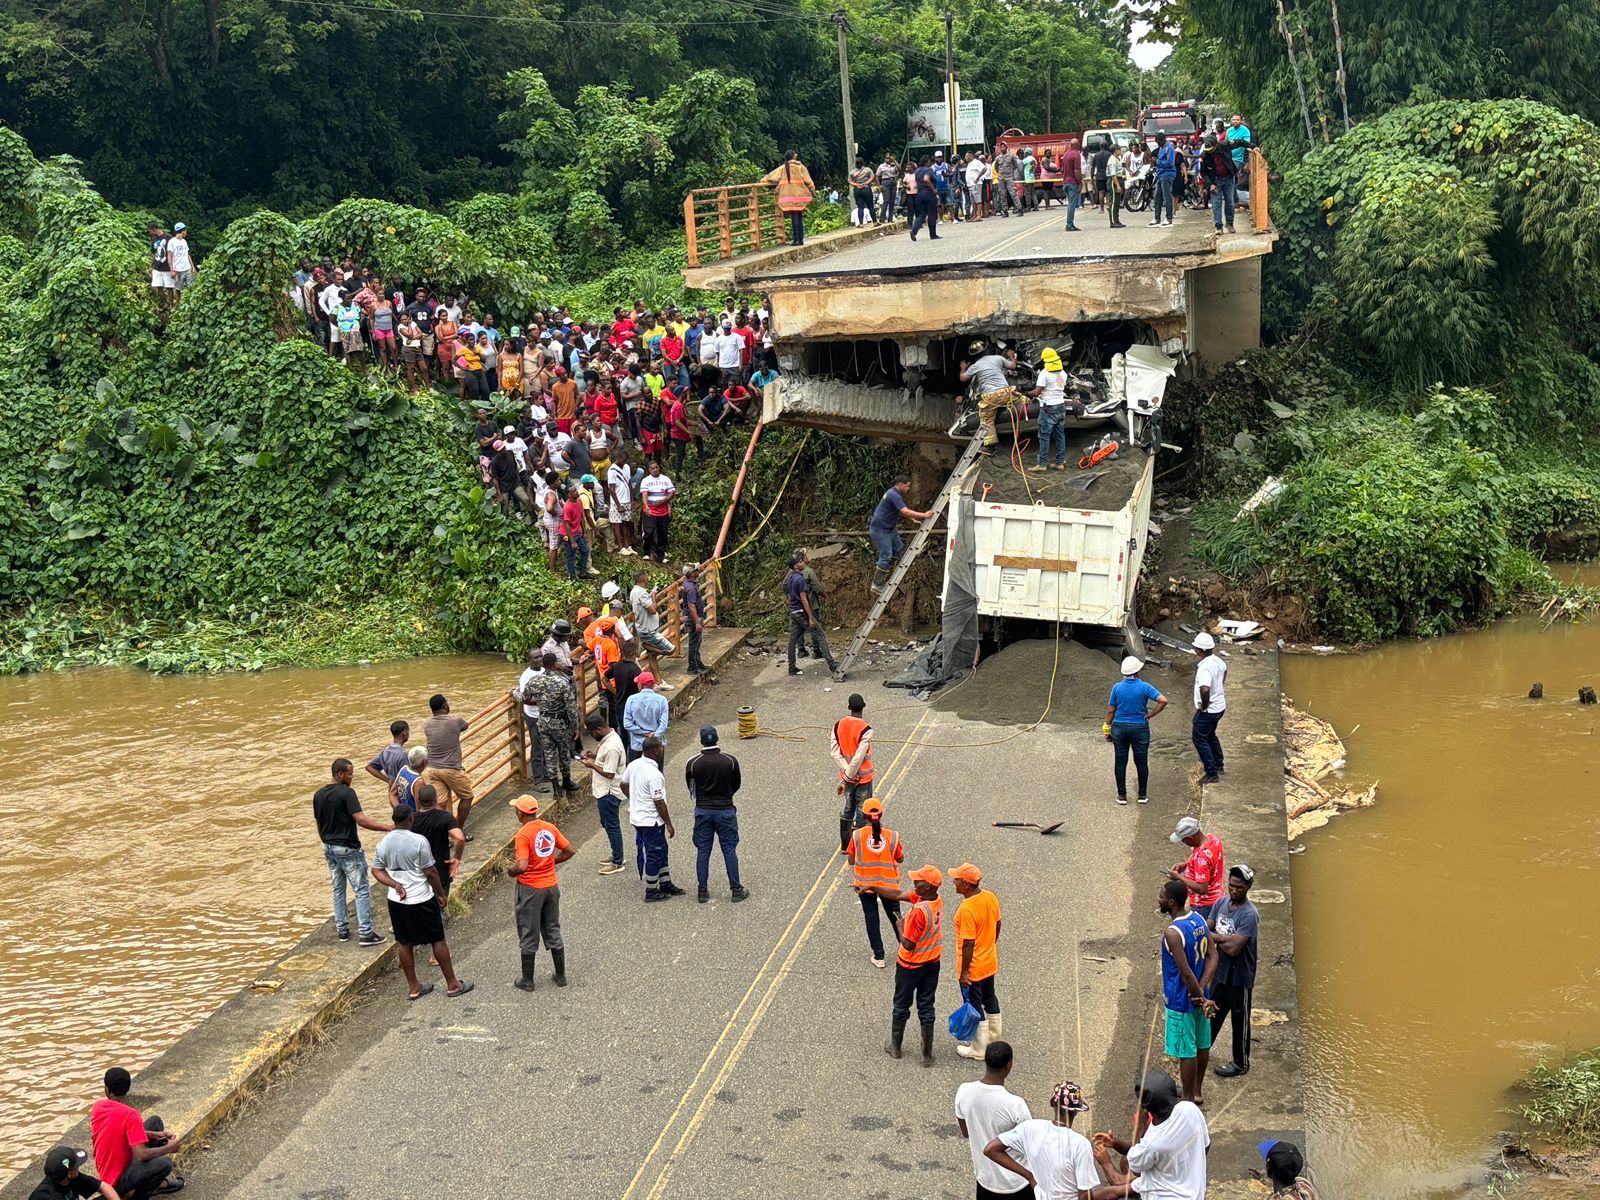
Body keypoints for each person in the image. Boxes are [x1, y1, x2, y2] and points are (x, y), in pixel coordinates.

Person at [370, 805, 473, 1000]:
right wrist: (441, 894)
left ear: (394, 820)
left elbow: (376, 870)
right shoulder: (418, 841)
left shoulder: (383, 843)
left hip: (397, 901)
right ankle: (452, 984)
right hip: (421, 898)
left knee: (404, 943)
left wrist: (395, 884)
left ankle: (414, 988)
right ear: (410, 818)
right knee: (437, 939)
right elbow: (431, 872)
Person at [1091, 1072, 1209, 1200]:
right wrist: (1114, 1143)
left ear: (1145, 1109)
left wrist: (1139, 1127)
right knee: (1123, 1167)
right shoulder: (1190, 1109)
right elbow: (1206, 1146)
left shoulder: (1152, 1143)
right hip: (1194, 1191)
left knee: (1120, 1187)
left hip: (1166, 1195)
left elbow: (1133, 1171)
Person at [313, 757, 391, 946]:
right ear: (339, 774)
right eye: (349, 774)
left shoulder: (318, 794)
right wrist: (388, 827)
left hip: (328, 847)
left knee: (338, 889)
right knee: (361, 889)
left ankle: (342, 930)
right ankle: (366, 932)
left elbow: (318, 822)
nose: (351, 777)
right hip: (348, 847)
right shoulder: (347, 793)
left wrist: (326, 840)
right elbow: (361, 820)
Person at [984, 1081, 1100, 1200]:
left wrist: (1029, 1176)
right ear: (1076, 1111)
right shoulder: (1080, 1144)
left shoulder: (1029, 1128)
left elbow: (991, 1149)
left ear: (1053, 1104)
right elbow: (1085, 1196)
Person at [1158, 880, 1219, 1104]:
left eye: (1161, 896)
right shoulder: (1199, 919)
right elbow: (1213, 956)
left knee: (1187, 1050)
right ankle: (1197, 1091)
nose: (1158, 899)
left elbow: (1185, 973)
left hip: (1182, 1000)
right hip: (1202, 996)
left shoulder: (1173, 933)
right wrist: (1203, 992)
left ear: (1171, 902)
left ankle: (1186, 1098)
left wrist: (1196, 994)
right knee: (1202, 1043)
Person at [506, 793, 573, 991]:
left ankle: (527, 980)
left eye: (516, 810)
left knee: (528, 930)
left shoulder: (523, 834)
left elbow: (522, 865)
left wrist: (511, 871)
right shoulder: (549, 828)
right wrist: (551, 862)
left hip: (531, 889)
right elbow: (570, 850)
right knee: (553, 928)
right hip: (551, 886)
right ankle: (560, 976)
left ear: (520, 813)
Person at [878, 864, 944, 1065]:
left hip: (910, 966)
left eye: (918, 881)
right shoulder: (935, 901)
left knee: (901, 1004)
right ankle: (927, 1055)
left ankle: (895, 1047)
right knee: (926, 1006)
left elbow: (908, 944)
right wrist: (873, 887)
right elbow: (898, 894)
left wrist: (900, 926)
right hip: (932, 963)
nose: (914, 883)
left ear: (928, 886)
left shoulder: (917, 912)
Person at [955, 1041, 1033, 1200]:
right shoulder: (1016, 1105)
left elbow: (966, 1132)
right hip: (1017, 1183)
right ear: (1009, 1065)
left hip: (985, 1180)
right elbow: (1029, 1144)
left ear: (986, 1060)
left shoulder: (964, 1091)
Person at [90, 1068, 180, 1199]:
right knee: (165, 1164)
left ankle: (145, 1181)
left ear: (107, 1090)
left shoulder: (98, 1107)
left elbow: (119, 1131)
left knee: (155, 1122)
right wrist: (169, 1148)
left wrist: (153, 1134)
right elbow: (141, 1155)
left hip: (108, 1170)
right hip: (116, 1181)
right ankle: (140, 1195)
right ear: (128, 1089)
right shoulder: (130, 1114)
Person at [686, 724, 747, 902]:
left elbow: (691, 787)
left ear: (701, 741)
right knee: (729, 849)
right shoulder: (730, 761)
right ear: (717, 739)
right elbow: (736, 784)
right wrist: (726, 795)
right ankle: (736, 889)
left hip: (703, 809)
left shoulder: (693, 763)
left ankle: (702, 890)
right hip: (725, 808)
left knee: (703, 849)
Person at [1208, 864, 1259, 1079]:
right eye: (1231, 885)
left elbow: (1234, 949)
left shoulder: (1249, 914)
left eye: (1239, 887)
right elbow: (1207, 928)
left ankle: (1241, 1063)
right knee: (1212, 1014)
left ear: (1248, 887)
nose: (1234, 890)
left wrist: (1216, 937)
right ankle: (1202, 1049)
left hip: (1240, 976)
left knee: (1239, 1021)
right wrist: (1226, 937)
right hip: (1220, 972)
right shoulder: (1221, 903)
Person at [952, 862, 1004, 1062]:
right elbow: (998, 923)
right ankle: (994, 1038)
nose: (954, 882)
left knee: (974, 1004)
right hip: (989, 961)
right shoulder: (990, 897)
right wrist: (990, 944)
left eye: (957, 879)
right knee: (989, 997)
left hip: (973, 967)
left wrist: (964, 972)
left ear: (966, 884)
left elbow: (968, 943)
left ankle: (979, 1048)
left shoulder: (967, 908)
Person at [620, 735, 682, 900]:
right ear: (655, 750)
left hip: (638, 818)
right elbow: (659, 802)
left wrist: (635, 800)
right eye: (661, 747)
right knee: (655, 853)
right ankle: (651, 890)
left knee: (662, 849)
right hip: (651, 821)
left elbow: (623, 784)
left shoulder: (633, 765)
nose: (663, 750)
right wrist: (669, 824)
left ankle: (665, 883)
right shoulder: (654, 774)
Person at [847, 798, 904, 966]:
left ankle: (879, 956)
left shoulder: (857, 835)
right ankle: (905, 951)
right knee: (896, 917)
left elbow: (850, 860)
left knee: (871, 918)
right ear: (881, 814)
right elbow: (900, 858)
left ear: (863, 815)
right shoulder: (893, 835)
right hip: (889, 885)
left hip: (864, 884)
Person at [1105, 657, 1168, 805]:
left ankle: (1122, 796)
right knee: (1141, 761)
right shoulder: (1145, 687)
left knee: (1120, 761)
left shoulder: (1117, 688)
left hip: (1119, 728)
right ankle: (1142, 795)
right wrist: (1151, 714)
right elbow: (1163, 700)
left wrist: (1107, 728)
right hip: (1140, 727)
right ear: (1137, 672)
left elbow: (1111, 710)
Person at [579, 712, 629, 875]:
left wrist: (592, 765)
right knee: (606, 823)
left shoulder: (612, 747)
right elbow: (605, 760)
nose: (592, 736)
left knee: (612, 825)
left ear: (599, 729)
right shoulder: (608, 739)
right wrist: (594, 756)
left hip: (609, 792)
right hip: (603, 791)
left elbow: (609, 773)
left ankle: (618, 861)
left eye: (592, 733)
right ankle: (617, 853)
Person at [524, 652, 581, 794]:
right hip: (560, 723)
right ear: (555, 664)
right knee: (563, 753)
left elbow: (524, 697)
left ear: (543, 664)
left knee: (549, 754)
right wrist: (575, 726)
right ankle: (566, 782)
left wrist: (513, 693)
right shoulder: (562, 683)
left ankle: (556, 788)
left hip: (543, 721)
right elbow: (571, 708)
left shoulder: (534, 681)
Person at [866, 473, 932, 588]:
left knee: (899, 549)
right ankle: (877, 584)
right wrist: (924, 515)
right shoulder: (893, 495)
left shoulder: (893, 493)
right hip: (880, 531)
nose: (908, 488)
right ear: (900, 484)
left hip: (889, 528)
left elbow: (900, 510)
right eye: (907, 486)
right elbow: (905, 511)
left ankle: (890, 572)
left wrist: (912, 518)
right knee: (886, 556)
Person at [423, 693, 476, 834]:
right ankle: (458, 829)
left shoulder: (427, 724)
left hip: (432, 769)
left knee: (440, 804)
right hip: (451, 769)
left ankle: (442, 834)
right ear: (445, 706)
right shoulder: (455, 721)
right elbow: (465, 726)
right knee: (467, 796)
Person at [830, 692, 875, 850]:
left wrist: (846, 776)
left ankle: (845, 845)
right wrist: (851, 774)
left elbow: (835, 753)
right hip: (862, 779)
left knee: (849, 808)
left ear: (849, 707)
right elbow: (858, 757)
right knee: (862, 811)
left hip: (847, 778)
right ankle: (858, 848)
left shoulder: (837, 725)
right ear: (863, 706)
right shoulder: (866, 730)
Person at [961, 341, 1022, 456]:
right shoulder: (998, 358)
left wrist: (963, 368)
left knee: (987, 420)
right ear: (987, 350)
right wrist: (1011, 356)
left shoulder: (975, 366)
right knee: (1023, 400)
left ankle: (989, 446)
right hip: (1006, 393)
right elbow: (1013, 366)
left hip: (990, 397)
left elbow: (963, 378)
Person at [785, 549, 837, 675]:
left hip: (794, 613)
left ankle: (792, 668)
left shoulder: (790, 577)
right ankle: (832, 665)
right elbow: (804, 599)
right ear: (796, 566)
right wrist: (810, 617)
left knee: (792, 641)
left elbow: (787, 590)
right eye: (801, 561)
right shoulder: (800, 579)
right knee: (820, 635)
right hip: (802, 613)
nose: (803, 562)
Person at [410, 783, 464, 903]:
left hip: (418, 872)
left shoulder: (411, 819)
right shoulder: (445, 817)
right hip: (440, 870)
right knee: (441, 903)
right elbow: (460, 838)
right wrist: (457, 858)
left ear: (418, 800)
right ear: (436, 799)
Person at [1167, 815, 1226, 920]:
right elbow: (1210, 863)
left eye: (1184, 840)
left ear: (1191, 838)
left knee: (1201, 929)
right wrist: (1187, 865)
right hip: (1218, 895)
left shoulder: (1201, 857)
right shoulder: (1213, 839)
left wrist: (1179, 877)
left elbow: (1202, 889)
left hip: (1204, 905)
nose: (1184, 843)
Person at [1190, 632, 1227, 783]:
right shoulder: (1218, 661)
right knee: (1210, 735)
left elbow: (1204, 689)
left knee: (1199, 738)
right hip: (1220, 706)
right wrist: (1218, 688)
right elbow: (1224, 672)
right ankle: (1219, 764)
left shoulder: (1204, 668)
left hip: (1209, 709)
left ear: (1200, 650)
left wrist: (1204, 707)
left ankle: (1212, 772)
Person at [515, 649, 553, 794]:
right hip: (533, 716)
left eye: (540, 656)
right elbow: (526, 699)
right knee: (537, 746)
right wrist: (544, 699)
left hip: (546, 714)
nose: (538, 659)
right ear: (529, 660)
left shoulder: (545, 671)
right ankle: (538, 781)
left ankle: (546, 773)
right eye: (535, 657)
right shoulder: (526, 676)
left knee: (546, 744)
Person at [630, 568, 676, 682]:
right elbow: (652, 610)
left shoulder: (633, 591)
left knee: (652, 656)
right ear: (644, 578)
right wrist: (653, 598)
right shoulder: (642, 593)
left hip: (642, 627)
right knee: (671, 650)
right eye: (647, 576)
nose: (648, 578)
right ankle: (646, 646)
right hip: (648, 630)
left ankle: (658, 681)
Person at [763, 150, 816, 246]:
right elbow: (808, 180)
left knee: (794, 217)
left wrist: (764, 180)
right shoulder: (800, 167)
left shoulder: (783, 168)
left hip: (788, 197)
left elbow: (772, 176)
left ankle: (796, 239)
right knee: (799, 217)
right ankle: (800, 239)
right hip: (800, 196)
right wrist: (812, 189)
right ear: (793, 156)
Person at [1030, 347, 1070, 472]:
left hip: (1049, 408)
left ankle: (1042, 464)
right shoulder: (1063, 373)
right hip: (1061, 406)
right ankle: (1060, 462)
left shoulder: (1044, 373)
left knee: (1044, 436)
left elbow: (1036, 392)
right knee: (1060, 435)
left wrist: (1027, 394)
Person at [31, 1145, 117, 1200]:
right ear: (69, 1173)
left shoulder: (69, 1178)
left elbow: (103, 1186)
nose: (78, 1168)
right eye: (76, 1166)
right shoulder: (50, 1196)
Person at [622, 670, 669, 762]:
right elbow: (663, 724)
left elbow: (627, 724)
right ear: (653, 684)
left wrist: (645, 733)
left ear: (640, 685)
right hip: (656, 745)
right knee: (656, 770)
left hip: (638, 745)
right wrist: (654, 736)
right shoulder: (662, 700)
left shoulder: (631, 699)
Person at [639, 461, 675, 565]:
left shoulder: (666, 479)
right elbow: (644, 494)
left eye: (656, 467)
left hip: (663, 511)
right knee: (649, 532)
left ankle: (661, 554)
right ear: (649, 470)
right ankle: (646, 552)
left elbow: (671, 493)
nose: (655, 470)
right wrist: (646, 506)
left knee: (663, 533)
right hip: (650, 511)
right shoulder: (646, 480)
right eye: (652, 468)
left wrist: (662, 502)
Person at [1199, 136, 1237, 233]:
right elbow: (1203, 172)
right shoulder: (1204, 156)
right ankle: (1218, 226)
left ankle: (1229, 223)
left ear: (1216, 146)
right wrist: (1210, 184)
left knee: (1230, 202)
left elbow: (1239, 142)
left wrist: (1253, 146)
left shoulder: (1224, 145)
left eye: (1211, 149)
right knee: (1216, 203)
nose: (1209, 152)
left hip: (1228, 178)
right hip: (1215, 181)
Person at [365, 719, 410, 786]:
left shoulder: (385, 751)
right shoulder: (403, 754)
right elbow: (407, 777)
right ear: (404, 733)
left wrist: (388, 781)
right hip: (402, 789)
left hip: (392, 788)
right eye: (408, 731)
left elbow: (369, 767)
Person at [1151, 131, 1179, 228]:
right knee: (1157, 196)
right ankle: (1157, 218)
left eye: (1158, 142)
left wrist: (1157, 161)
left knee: (1167, 196)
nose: (1157, 144)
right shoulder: (1161, 148)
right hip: (1160, 174)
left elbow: (1170, 163)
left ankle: (1169, 218)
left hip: (1167, 174)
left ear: (1163, 140)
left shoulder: (1169, 148)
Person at [166, 223, 194, 292]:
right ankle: (178, 300)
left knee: (191, 287)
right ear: (183, 231)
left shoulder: (184, 241)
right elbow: (169, 256)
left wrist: (192, 267)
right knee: (178, 289)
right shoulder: (172, 242)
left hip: (187, 268)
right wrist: (172, 270)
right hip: (177, 270)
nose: (186, 233)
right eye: (186, 231)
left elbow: (187, 255)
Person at [849, 158, 876, 226]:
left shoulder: (852, 172)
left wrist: (856, 184)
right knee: (870, 206)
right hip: (866, 188)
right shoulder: (868, 170)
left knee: (860, 207)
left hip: (857, 190)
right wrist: (866, 183)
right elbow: (872, 177)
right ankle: (875, 222)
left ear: (856, 164)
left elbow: (849, 181)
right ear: (863, 163)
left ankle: (860, 224)